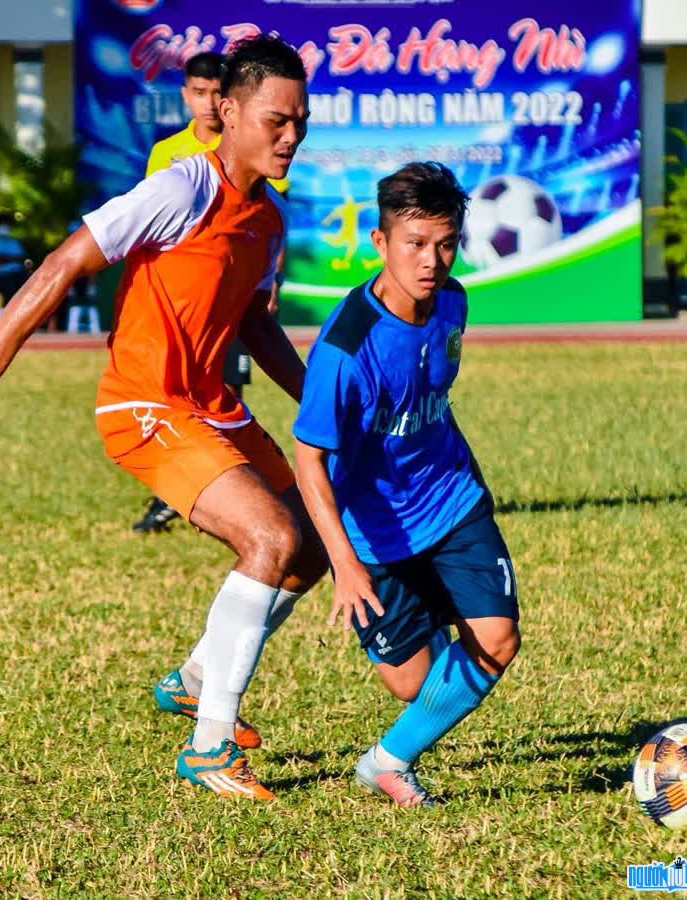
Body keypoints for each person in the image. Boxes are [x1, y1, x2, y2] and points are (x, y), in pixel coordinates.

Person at [0, 35, 326, 801]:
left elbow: (256, 327)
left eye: (300, 120)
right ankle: (209, 750)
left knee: (310, 549)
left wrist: (324, 409)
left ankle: (198, 676)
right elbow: (63, 263)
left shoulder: (268, 219)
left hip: (215, 410)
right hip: (145, 405)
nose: (292, 135)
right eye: (277, 120)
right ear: (227, 113)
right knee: (269, 538)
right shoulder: (179, 191)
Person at [294, 162, 521, 807]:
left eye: (445, 243)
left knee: (497, 638)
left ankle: (388, 762)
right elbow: (308, 460)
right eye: (415, 244)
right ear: (381, 243)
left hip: (450, 499)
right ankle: (434, 623)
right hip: (375, 532)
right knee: (415, 686)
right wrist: (344, 565)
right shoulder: (345, 351)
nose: (432, 260)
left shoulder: (454, 300)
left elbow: (434, 401)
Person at [132, 50, 286, 535]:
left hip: (234, 298)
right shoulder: (170, 158)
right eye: (197, 92)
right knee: (172, 394)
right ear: (186, 96)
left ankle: (230, 484)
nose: (207, 102)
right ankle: (174, 496)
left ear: (229, 103)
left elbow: (267, 220)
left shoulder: (258, 149)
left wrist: (269, 283)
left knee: (227, 390)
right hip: (180, 309)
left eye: (215, 92)